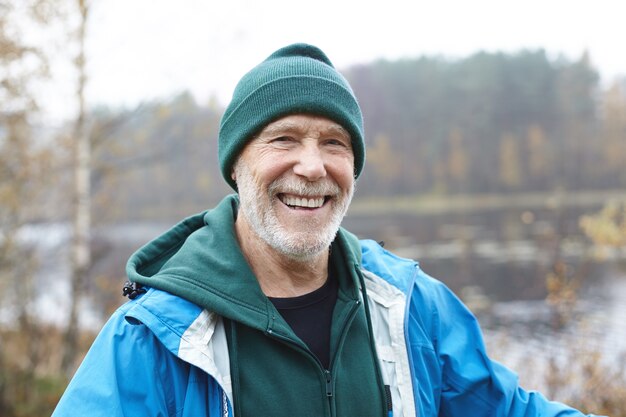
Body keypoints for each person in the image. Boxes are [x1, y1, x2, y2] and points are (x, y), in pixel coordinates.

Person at [52, 43, 603, 417]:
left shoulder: (410, 307)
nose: (312, 167)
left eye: (334, 143)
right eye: (284, 139)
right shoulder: (155, 338)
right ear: (236, 166)